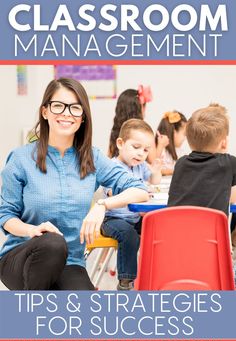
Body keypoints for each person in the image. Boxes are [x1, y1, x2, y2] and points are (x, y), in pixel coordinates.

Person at [0, 78, 149, 291]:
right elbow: (5, 217)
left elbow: (140, 191)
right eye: (58, 106)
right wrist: (32, 229)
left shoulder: (92, 158)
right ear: (45, 111)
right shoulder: (21, 158)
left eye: (75, 108)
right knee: (53, 243)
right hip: (21, 256)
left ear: (82, 118)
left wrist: (102, 206)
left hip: (70, 262)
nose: (67, 114)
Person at [101, 119, 162, 290]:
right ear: (120, 143)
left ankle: (158, 274)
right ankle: (126, 282)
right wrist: (138, 193)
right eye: (136, 147)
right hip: (113, 219)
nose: (141, 153)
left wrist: (156, 172)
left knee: (159, 228)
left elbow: (153, 181)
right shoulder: (112, 167)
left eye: (145, 150)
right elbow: (113, 194)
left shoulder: (140, 166)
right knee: (129, 235)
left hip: (135, 217)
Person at [168, 103, 236, 215]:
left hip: (177, 230)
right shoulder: (228, 163)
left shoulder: (180, 163)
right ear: (224, 142)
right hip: (212, 232)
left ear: (189, 142)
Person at [108, 85, 152, 158]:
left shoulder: (115, 132)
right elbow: (153, 160)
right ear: (139, 109)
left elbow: (109, 156)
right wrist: (161, 144)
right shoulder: (144, 133)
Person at [149, 111, 187, 175]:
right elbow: (154, 167)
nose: (185, 138)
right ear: (174, 132)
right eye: (184, 134)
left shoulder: (180, 152)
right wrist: (160, 146)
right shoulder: (160, 150)